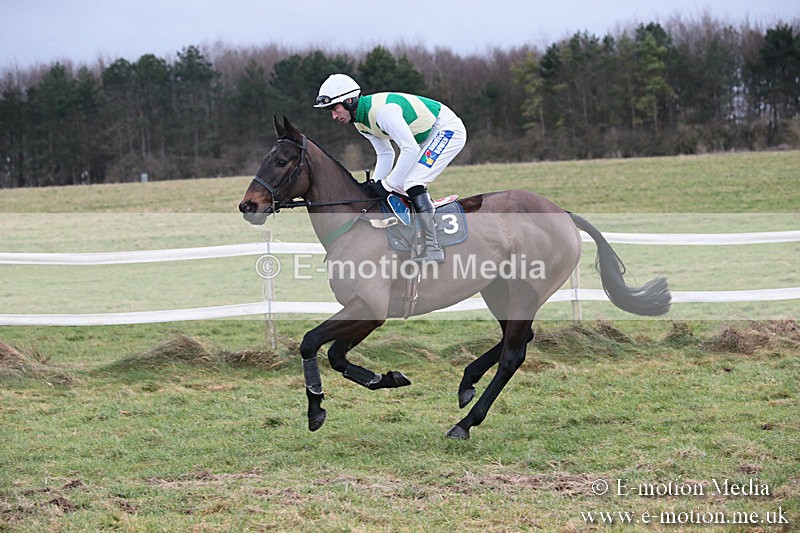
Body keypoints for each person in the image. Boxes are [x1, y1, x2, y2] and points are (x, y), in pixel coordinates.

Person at [314, 73, 467, 263]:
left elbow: (409, 149)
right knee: (397, 185)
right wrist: (376, 185)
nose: (334, 116)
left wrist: (387, 184)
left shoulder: (383, 113)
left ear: (349, 100)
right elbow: (385, 154)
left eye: (335, 108)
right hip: (425, 139)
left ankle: (432, 246)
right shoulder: (360, 123)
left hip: (447, 130)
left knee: (413, 182)